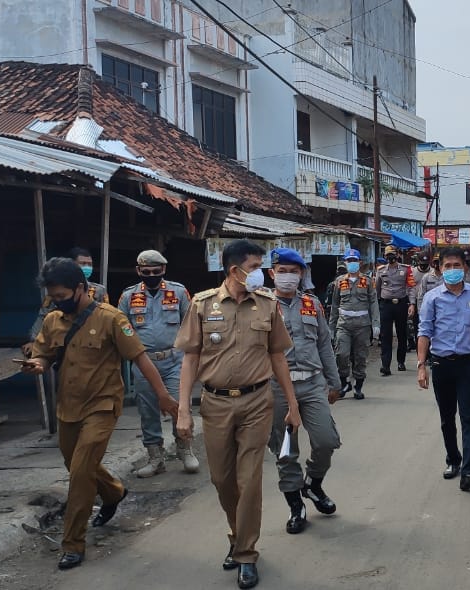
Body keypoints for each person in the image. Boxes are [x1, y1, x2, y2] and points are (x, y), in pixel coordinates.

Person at [20, 257, 177, 571]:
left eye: (63, 296)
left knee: (79, 472)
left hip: (102, 405)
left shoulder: (111, 319)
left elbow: (140, 359)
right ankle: (114, 491)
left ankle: (73, 544)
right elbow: (43, 354)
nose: (59, 303)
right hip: (68, 406)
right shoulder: (52, 320)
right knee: (74, 461)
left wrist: (164, 396)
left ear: (81, 288)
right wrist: (37, 365)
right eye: (54, 298)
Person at [173, 239, 301, 590]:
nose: (263, 273)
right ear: (235, 270)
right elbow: (190, 359)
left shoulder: (268, 305)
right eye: (256, 266)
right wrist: (183, 410)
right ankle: (237, 534)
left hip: (257, 402)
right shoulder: (201, 305)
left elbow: (278, 357)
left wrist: (292, 405)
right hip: (214, 404)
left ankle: (246, 553)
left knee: (249, 479)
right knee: (222, 479)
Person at [263, 248, 343, 536]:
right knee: (285, 451)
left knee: (327, 440)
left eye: (293, 271)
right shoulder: (260, 304)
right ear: (272, 273)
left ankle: (313, 483)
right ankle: (296, 505)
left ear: (301, 274)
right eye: (282, 271)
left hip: (311, 383)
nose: (287, 276)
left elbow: (324, 343)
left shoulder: (312, 304)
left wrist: (335, 382)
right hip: (276, 388)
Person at [416, 248, 470, 491]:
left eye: (457, 265)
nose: (453, 270)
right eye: (448, 266)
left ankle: (468, 471)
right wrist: (421, 366)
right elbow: (424, 332)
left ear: (465, 268)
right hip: (441, 364)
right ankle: (453, 460)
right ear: (440, 269)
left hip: (467, 364)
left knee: (469, 419)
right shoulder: (432, 298)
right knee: (447, 419)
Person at [117, 250, 198, 478]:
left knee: (179, 406)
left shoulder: (179, 292)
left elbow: (190, 325)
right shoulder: (128, 297)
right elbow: (122, 328)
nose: (152, 275)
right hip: (143, 362)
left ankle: (185, 450)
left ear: (164, 270)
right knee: (147, 411)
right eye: (147, 272)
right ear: (138, 271)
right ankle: (155, 458)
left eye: (156, 271)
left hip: (173, 360)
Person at [26, 247, 110, 343]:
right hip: (60, 339)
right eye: (83, 264)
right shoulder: (55, 292)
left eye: (89, 264)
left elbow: (104, 319)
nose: (87, 267)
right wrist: (34, 341)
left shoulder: (99, 291)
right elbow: (42, 318)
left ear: (80, 288)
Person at [328, 249, 379, 399]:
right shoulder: (339, 282)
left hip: (362, 324)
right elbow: (335, 305)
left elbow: (373, 303)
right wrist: (331, 328)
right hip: (344, 323)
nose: (352, 263)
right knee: (341, 354)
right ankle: (345, 382)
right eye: (349, 261)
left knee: (360, 356)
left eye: (354, 261)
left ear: (359, 262)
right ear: (345, 263)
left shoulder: (368, 281)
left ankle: (358, 386)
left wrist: (376, 324)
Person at [376, 244, 416, 376]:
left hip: (401, 304)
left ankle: (401, 361)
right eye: (388, 255)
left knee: (402, 334)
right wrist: (378, 304)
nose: (390, 257)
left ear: (397, 255)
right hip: (386, 305)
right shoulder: (380, 270)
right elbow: (377, 288)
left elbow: (410, 287)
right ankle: (385, 365)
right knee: (385, 335)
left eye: (392, 254)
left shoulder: (406, 269)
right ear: (385, 256)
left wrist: (412, 304)